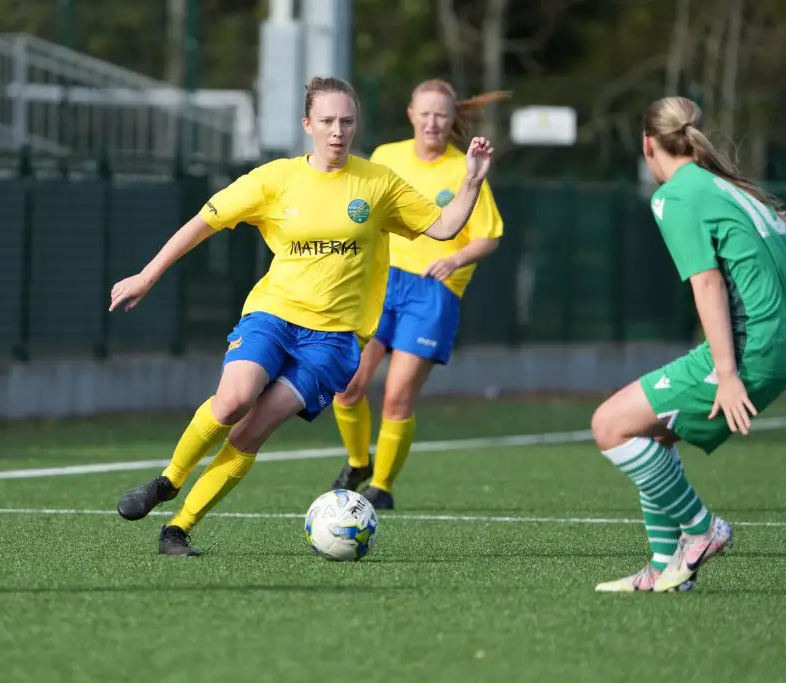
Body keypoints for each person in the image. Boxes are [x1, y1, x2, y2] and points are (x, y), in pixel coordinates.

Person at [109, 76, 496, 556]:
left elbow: (445, 226)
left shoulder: (377, 182)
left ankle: (179, 529)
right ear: (308, 124)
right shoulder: (275, 179)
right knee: (232, 402)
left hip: (333, 340)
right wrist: (148, 275)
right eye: (329, 121)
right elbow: (203, 223)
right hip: (274, 314)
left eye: (347, 122)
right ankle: (168, 481)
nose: (338, 131)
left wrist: (474, 178)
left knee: (253, 430)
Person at [592, 96, 786, 593]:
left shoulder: (676, 195)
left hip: (750, 347)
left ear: (648, 144)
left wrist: (727, 374)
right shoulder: (733, 188)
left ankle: (703, 529)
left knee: (610, 426)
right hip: (779, 345)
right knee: (654, 434)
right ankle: (667, 570)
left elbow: (706, 284)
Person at [329, 81, 509, 509]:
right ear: (411, 114)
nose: (432, 122)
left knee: (396, 396)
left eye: (441, 115)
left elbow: (490, 236)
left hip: (432, 292)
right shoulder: (387, 157)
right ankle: (358, 463)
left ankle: (382, 488)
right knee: (346, 386)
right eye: (425, 113)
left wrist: (456, 258)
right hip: (379, 281)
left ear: (452, 120)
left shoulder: (463, 169)